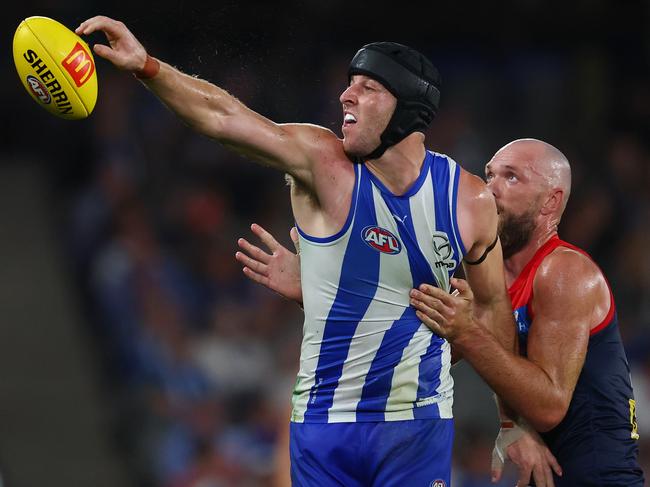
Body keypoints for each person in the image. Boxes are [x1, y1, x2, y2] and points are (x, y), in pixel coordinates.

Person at [76, 15, 534, 485]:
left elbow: (492, 307)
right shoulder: (322, 161)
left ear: (408, 108)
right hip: (322, 426)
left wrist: (509, 420)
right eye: (349, 83)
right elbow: (222, 118)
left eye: (368, 87)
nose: (345, 95)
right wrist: (147, 66)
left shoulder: (469, 200)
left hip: (414, 430)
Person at [235, 139, 645, 486]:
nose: (492, 187)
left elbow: (549, 406)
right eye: (490, 173)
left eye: (512, 177)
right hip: (538, 473)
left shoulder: (563, 271)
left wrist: (467, 333)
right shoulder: (484, 276)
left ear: (551, 201)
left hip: (594, 473)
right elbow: (414, 358)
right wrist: (316, 293)